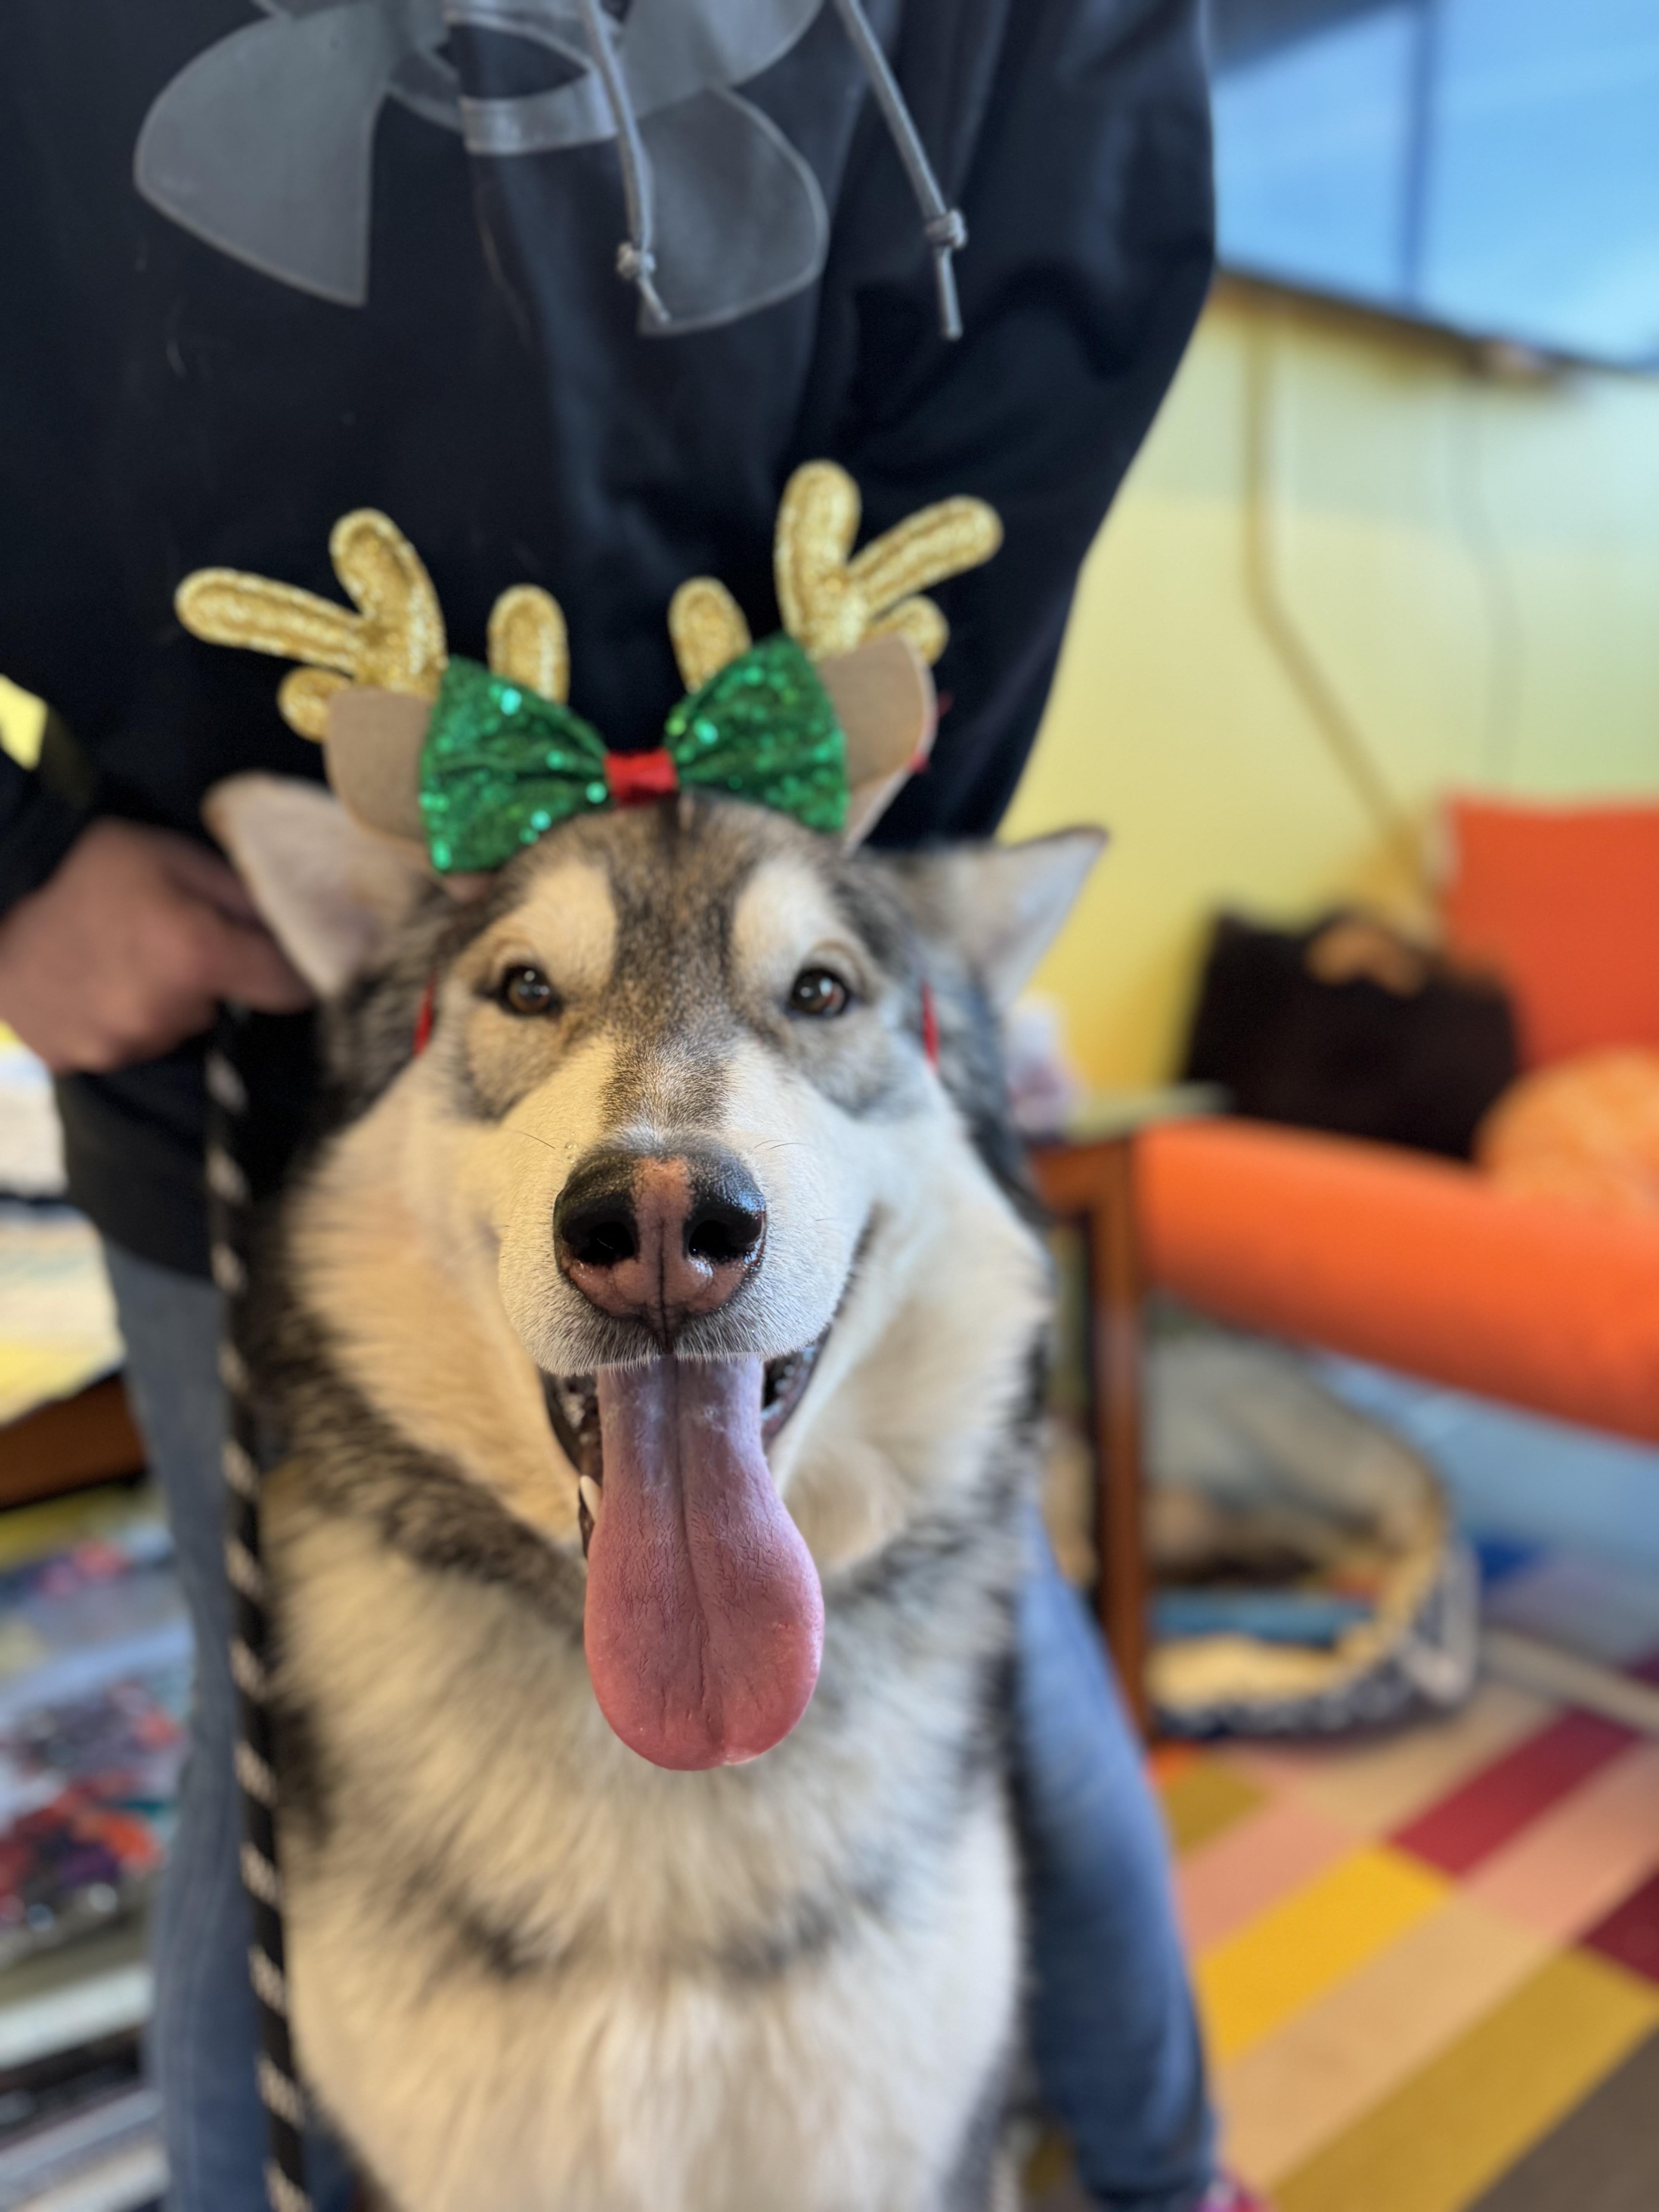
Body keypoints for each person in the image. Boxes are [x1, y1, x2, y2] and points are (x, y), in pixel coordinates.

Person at [0, 5, 1243, 2208]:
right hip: (232, 963)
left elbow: (1091, 233)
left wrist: (858, 894)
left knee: (999, 1629)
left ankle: (1168, 2176)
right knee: (262, 1709)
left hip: (836, 949)